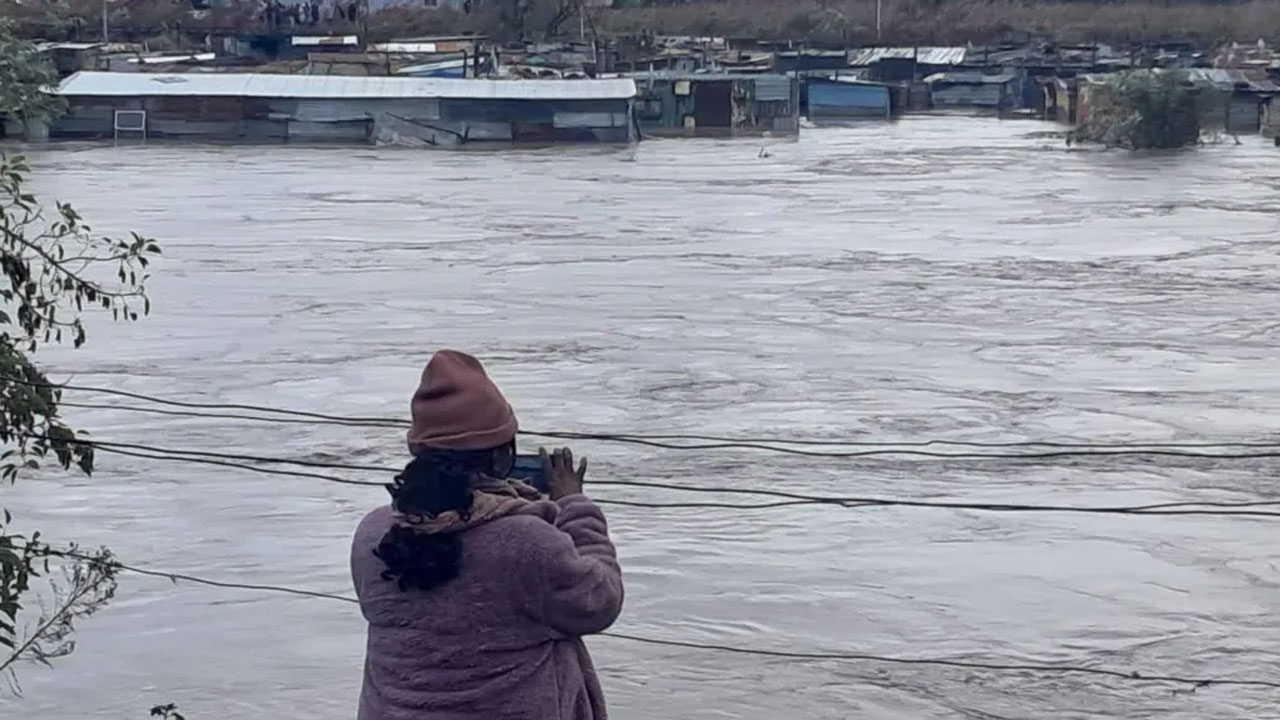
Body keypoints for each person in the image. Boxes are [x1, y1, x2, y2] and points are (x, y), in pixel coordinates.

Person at [351, 350, 624, 720]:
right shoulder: (527, 542)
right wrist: (574, 505)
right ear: (500, 458)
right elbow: (600, 600)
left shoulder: (373, 534)